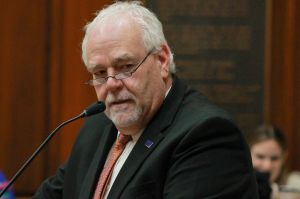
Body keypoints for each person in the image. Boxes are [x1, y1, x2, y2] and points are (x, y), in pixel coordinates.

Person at [33, 1, 258, 198]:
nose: (111, 83)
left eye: (126, 67)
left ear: (161, 60)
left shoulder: (207, 135)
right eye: (100, 73)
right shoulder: (97, 126)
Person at [247, 123, 300, 198]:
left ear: (284, 157)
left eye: (274, 158)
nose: (267, 166)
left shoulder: (295, 185)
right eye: (260, 157)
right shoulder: (236, 186)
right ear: (247, 154)